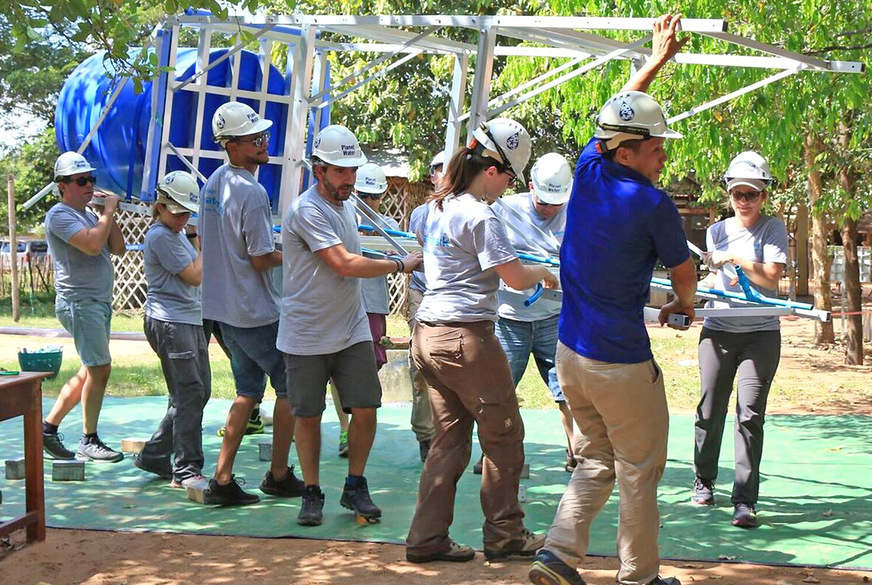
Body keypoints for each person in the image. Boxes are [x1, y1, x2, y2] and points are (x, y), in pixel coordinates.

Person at [529, 14, 694, 585]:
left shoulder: (590, 169)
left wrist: (657, 60)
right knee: (640, 469)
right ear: (627, 153)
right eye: (654, 149)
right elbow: (685, 271)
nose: (662, 157)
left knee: (598, 455)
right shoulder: (652, 205)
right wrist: (682, 304)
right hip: (621, 362)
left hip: (571, 355)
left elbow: (614, 111)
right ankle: (640, 578)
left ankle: (557, 554)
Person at [405, 118, 559, 564]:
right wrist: (545, 272)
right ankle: (506, 533)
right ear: (492, 168)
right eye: (510, 176)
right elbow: (511, 275)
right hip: (465, 336)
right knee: (505, 434)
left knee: (449, 440)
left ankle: (427, 538)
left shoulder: (436, 206)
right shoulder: (478, 213)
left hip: (427, 334)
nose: (508, 186)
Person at [279, 124, 422, 527]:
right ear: (318, 169)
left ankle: (355, 485)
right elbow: (343, 263)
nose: (350, 179)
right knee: (307, 415)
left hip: (351, 328)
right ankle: (311, 491)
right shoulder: (307, 210)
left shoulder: (347, 206)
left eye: (352, 170)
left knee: (366, 407)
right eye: (341, 171)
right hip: (306, 332)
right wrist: (400, 264)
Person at [199, 101, 303, 506]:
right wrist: (298, 251)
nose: (263, 141)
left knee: (247, 391)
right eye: (253, 137)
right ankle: (278, 474)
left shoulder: (214, 184)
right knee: (291, 387)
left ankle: (221, 478)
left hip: (223, 309)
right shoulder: (253, 191)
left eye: (262, 135)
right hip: (255, 309)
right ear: (231, 144)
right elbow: (261, 258)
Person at [691, 151, 788, 529]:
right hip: (718, 331)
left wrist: (733, 257)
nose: (745, 201)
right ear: (729, 195)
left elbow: (771, 277)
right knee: (709, 410)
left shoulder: (772, 229)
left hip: (760, 334)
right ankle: (703, 481)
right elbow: (717, 281)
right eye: (738, 194)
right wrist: (695, 290)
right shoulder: (716, 231)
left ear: (764, 195)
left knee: (750, 415)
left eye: (752, 194)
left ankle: (745, 501)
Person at [493, 152, 576, 473]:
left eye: (557, 202)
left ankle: (576, 453)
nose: (551, 208)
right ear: (530, 187)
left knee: (567, 390)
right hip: (509, 320)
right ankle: (500, 456)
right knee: (500, 394)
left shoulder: (576, 214)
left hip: (554, 318)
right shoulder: (504, 210)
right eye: (544, 201)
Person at [42, 151, 126, 463]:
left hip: (97, 302)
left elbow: (116, 248)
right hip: (79, 302)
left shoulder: (92, 216)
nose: (89, 184)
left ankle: (47, 429)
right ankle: (89, 439)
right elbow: (92, 246)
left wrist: (107, 213)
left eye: (91, 179)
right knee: (100, 369)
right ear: (63, 186)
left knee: (91, 369)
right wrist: (106, 214)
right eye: (81, 180)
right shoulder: (59, 215)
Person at [134, 171, 210, 488]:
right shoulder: (160, 236)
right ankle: (186, 468)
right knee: (189, 393)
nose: (183, 218)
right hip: (170, 322)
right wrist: (210, 247)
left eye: (187, 212)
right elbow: (194, 275)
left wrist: (195, 237)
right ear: (160, 206)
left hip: (187, 318)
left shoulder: (177, 233)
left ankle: (154, 453)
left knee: (198, 391)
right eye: (178, 211)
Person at [329, 162, 400, 459]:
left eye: (375, 196)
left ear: (382, 195)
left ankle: (359, 425)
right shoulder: (341, 219)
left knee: (368, 367)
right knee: (335, 368)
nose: (369, 201)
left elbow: (397, 255)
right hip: (341, 302)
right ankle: (346, 428)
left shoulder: (390, 228)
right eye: (364, 195)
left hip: (372, 305)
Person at [404, 151, 446, 462]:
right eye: (439, 170)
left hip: (454, 300)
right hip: (423, 294)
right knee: (420, 367)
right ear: (431, 175)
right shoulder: (421, 213)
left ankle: (448, 433)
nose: (444, 176)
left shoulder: (473, 211)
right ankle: (425, 435)